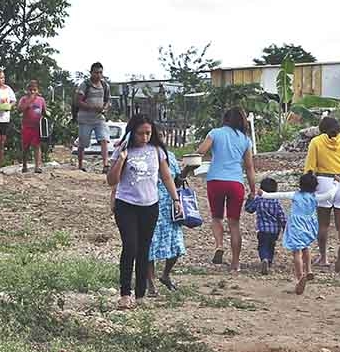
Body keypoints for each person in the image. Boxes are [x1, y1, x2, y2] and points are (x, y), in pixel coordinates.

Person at [106, 114, 183, 310]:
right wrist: (121, 159)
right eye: (141, 133)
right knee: (130, 246)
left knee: (144, 249)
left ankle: (140, 294)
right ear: (132, 133)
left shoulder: (156, 150)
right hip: (126, 205)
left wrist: (176, 199)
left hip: (150, 206)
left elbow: (166, 177)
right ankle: (125, 293)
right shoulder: (123, 150)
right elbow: (111, 180)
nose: (145, 137)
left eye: (148, 133)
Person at [195, 107, 256, 272]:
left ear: (225, 119)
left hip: (215, 180)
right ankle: (235, 264)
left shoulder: (215, 133)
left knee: (216, 217)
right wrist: (253, 190)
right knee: (234, 223)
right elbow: (249, 168)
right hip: (236, 183)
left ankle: (219, 245)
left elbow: (201, 151)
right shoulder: (245, 140)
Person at [258, 172, 339, 295]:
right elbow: (329, 195)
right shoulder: (315, 197)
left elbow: (280, 195)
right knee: (306, 247)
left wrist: (264, 194)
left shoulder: (295, 195)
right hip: (309, 226)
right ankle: (309, 270)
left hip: (296, 226)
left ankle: (300, 276)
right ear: (315, 187)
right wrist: (336, 183)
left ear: (300, 185)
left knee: (297, 252)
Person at [304, 116, 340, 272]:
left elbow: (310, 168)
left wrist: (308, 186)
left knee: (323, 223)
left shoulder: (316, 142)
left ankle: (323, 257)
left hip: (324, 182)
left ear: (321, 130)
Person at [146, 150, 188, 296]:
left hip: (168, 206)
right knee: (149, 244)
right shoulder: (143, 154)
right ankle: (150, 283)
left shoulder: (168, 155)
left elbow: (176, 181)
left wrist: (187, 169)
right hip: (148, 203)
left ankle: (165, 274)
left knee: (176, 244)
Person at [244, 177, 286, 275]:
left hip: (262, 229)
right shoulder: (276, 201)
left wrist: (249, 199)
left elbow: (249, 209)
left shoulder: (259, 200)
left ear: (261, 189)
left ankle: (264, 259)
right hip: (274, 231)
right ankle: (269, 261)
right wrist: (285, 228)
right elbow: (282, 216)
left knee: (262, 246)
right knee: (271, 246)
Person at [75, 62, 111, 173]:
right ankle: (80, 165)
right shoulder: (85, 85)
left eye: (100, 72)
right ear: (91, 73)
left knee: (104, 139)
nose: (98, 75)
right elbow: (78, 101)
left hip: (99, 118)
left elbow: (108, 101)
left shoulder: (105, 85)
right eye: (96, 72)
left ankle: (105, 165)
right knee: (83, 143)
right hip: (85, 119)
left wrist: (104, 108)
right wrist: (92, 107)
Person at [18, 79, 47, 174]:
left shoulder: (41, 100)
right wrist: (29, 100)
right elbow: (20, 109)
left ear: (37, 90)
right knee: (25, 147)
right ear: (27, 90)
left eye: (34, 90)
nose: (32, 92)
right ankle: (24, 165)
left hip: (37, 126)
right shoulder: (24, 99)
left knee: (37, 146)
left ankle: (37, 166)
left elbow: (44, 111)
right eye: (30, 90)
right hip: (26, 126)